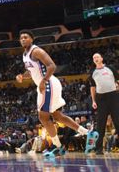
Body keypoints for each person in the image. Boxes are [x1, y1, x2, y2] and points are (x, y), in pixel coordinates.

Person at [16, 30, 90, 159]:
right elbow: (31, 72)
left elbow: (51, 66)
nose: (23, 39)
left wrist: (44, 81)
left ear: (32, 39)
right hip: (43, 85)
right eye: (21, 38)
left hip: (48, 84)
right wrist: (23, 76)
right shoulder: (25, 54)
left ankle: (58, 146)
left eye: (26, 37)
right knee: (57, 116)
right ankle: (86, 132)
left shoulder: (36, 51)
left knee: (43, 117)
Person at [88, 52, 119, 154]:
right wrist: (93, 101)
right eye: (94, 58)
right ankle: (99, 149)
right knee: (100, 124)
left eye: (97, 57)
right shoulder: (93, 72)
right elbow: (92, 88)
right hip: (100, 99)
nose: (95, 58)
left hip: (113, 97)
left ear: (101, 58)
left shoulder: (110, 68)